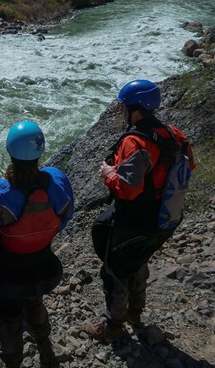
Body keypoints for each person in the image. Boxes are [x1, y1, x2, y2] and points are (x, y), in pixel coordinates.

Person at [84, 79, 195, 342]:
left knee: (115, 267)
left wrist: (109, 174)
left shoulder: (135, 142)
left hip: (137, 218)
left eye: (125, 107)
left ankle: (112, 326)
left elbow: (127, 189)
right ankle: (135, 313)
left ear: (137, 109)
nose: (122, 111)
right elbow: (188, 169)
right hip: (166, 217)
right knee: (138, 259)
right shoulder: (174, 134)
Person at [0, 121, 74, 368]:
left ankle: (13, 362)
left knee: (9, 317)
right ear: (40, 150)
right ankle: (46, 350)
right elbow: (65, 216)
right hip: (42, 265)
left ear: (10, 151)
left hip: (7, 273)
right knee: (34, 302)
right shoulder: (56, 180)